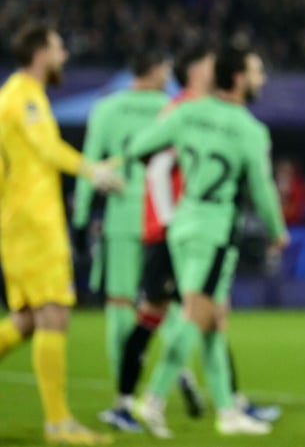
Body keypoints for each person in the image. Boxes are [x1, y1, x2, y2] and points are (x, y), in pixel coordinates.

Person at [125, 46, 289, 438]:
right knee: (198, 314)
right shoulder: (249, 129)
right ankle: (153, 398)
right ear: (236, 78)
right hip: (215, 232)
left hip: (183, 225)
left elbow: (138, 148)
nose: (260, 79)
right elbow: (263, 189)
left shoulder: (187, 111)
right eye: (255, 72)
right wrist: (277, 230)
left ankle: (228, 413)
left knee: (214, 319)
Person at [0, 25, 121, 445]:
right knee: (54, 313)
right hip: (33, 221)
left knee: (28, 320)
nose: (65, 54)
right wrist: (93, 170)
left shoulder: (13, 95)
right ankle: (58, 423)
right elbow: (48, 148)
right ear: (39, 52)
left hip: (18, 220)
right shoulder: (24, 95)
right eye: (58, 47)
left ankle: (58, 421)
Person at [71, 50, 171, 430]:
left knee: (118, 307)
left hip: (121, 219)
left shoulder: (106, 108)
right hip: (163, 219)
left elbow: (91, 166)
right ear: (156, 68)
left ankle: (123, 399)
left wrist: (81, 220)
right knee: (172, 307)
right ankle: (172, 377)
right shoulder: (171, 107)